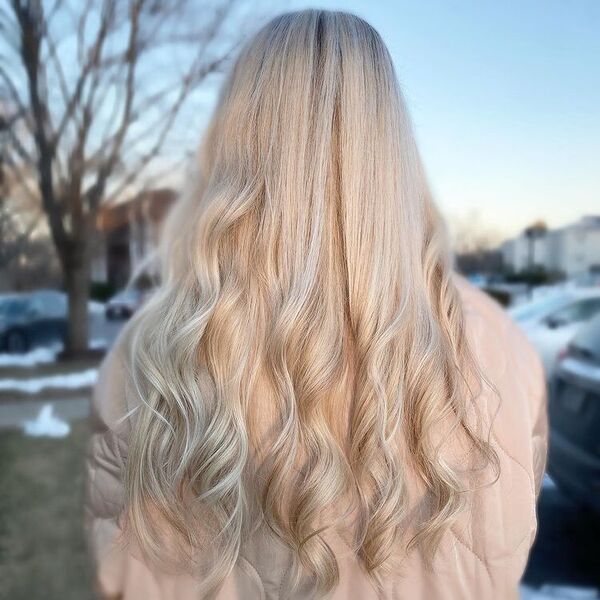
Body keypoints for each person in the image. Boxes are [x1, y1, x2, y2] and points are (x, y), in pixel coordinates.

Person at [84, 9, 548, 600]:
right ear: (390, 144)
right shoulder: (502, 345)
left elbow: (122, 572)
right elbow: (509, 541)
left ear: (239, 136)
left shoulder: (155, 350)